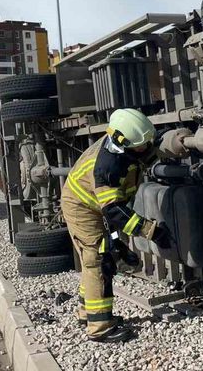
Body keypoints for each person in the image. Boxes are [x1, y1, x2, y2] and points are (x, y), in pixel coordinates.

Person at [60, 108, 170, 342]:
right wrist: (151, 231)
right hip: (82, 207)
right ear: (125, 143)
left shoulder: (124, 145)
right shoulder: (107, 167)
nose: (147, 148)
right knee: (97, 261)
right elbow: (114, 211)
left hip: (94, 204)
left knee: (101, 257)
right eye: (142, 145)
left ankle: (86, 313)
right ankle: (99, 327)